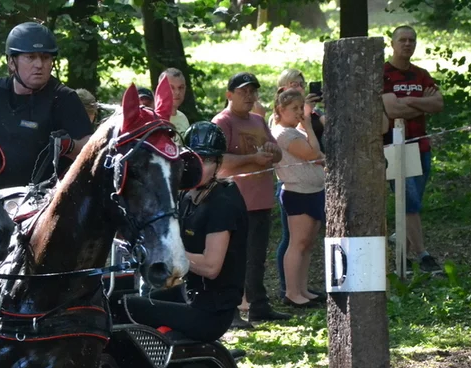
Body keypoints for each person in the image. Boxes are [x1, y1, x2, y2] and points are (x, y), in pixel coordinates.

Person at [124, 122, 245, 342]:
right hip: (188, 296)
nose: (199, 166)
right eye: (193, 158)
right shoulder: (186, 196)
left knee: (127, 307)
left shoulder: (223, 203)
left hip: (210, 313)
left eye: (206, 160)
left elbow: (211, 267)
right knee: (125, 298)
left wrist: (170, 250)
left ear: (218, 164)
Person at [0, 22, 92, 189]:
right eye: (30, 57)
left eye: (45, 57)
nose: (39, 64)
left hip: (42, 201)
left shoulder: (64, 98)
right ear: (11, 62)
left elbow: (91, 149)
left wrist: (68, 146)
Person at [213, 72, 289, 325]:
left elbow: (275, 154)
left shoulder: (258, 120)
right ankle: (230, 310)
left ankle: (258, 305)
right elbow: (218, 161)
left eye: (252, 92)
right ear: (229, 95)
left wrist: (272, 151)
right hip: (234, 201)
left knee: (256, 257)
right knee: (233, 258)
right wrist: (252, 159)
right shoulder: (222, 122)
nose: (249, 96)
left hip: (261, 200)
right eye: (243, 91)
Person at [383, 25, 444, 275]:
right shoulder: (383, 74)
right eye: (402, 40)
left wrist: (407, 102)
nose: (407, 44)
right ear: (393, 44)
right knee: (408, 202)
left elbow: (439, 103)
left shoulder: (421, 75)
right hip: (395, 146)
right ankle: (423, 256)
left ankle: (402, 257)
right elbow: (392, 110)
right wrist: (422, 104)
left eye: (412, 40)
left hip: (421, 145)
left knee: (413, 203)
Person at [271, 67, 325, 297]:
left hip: (313, 191)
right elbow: (313, 154)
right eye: (294, 109)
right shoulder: (284, 133)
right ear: (280, 110)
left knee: (308, 245)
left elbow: (316, 154)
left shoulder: (296, 131)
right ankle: (292, 292)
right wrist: (309, 126)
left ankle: (303, 289)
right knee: (297, 243)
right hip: (298, 194)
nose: (298, 113)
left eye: (300, 109)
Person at [159, 68, 191, 136]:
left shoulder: (183, 118)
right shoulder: (154, 119)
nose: (177, 92)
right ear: (160, 89)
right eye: (171, 88)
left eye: (180, 87)